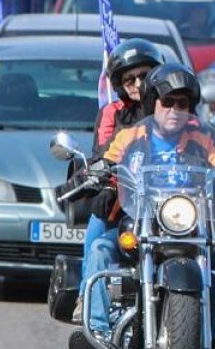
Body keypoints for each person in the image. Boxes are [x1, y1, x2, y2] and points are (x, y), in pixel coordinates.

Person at [69, 64, 215, 349]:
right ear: (153, 102)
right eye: (168, 102)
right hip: (140, 224)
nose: (175, 110)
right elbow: (106, 159)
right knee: (99, 248)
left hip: (192, 226)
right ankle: (95, 332)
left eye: (183, 103)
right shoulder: (130, 135)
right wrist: (96, 171)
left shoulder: (205, 136)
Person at [57, 38, 164, 324]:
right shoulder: (112, 113)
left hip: (169, 199)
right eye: (129, 79)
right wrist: (105, 181)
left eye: (144, 75)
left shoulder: (173, 108)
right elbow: (104, 151)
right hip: (124, 195)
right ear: (119, 84)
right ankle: (85, 297)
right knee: (98, 226)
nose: (138, 83)